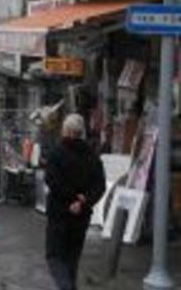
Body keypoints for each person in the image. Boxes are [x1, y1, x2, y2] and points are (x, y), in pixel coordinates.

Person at [44, 113, 106, 290]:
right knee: (72, 258)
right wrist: (83, 201)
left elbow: (52, 180)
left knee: (54, 256)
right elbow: (100, 185)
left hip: (59, 213)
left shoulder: (57, 153)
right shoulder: (92, 156)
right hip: (82, 216)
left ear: (68, 131)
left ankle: (66, 287)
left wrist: (72, 198)